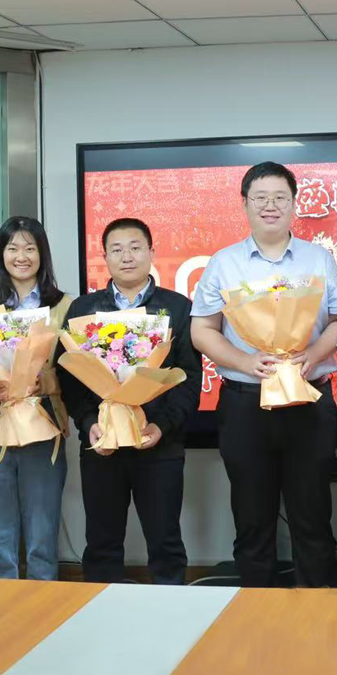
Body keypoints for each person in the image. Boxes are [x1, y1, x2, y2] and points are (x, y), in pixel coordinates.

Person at [190, 163, 337, 587]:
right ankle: (254, 604)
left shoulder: (319, 259)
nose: (270, 205)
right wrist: (246, 362)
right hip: (245, 402)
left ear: (294, 204)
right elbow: (202, 331)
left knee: (312, 511)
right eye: (260, 198)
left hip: (309, 397)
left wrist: (312, 354)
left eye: (280, 197)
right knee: (251, 514)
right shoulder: (224, 263)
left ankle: (315, 602)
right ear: (245, 204)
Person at [60, 217, 200, 585]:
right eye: (117, 249)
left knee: (166, 542)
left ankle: (172, 614)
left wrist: (162, 426)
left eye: (135, 247)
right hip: (102, 444)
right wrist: (89, 423)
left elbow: (189, 378)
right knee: (101, 543)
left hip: (160, 444)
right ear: (104, 256)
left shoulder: (177, 308)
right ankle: (101, 613)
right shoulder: (83, 310)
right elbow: (70, 380)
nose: (127, 256)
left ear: (152, 252)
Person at [0, 217, 74, 581]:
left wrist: (45, 382)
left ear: (42, 254)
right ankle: (3, 608)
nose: (21, 256)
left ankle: (45, 606)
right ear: (1, 254)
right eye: (12, 248)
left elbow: (76, 368)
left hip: (43, 428)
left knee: (42, 535)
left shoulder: (64, 305)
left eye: (30, 248)